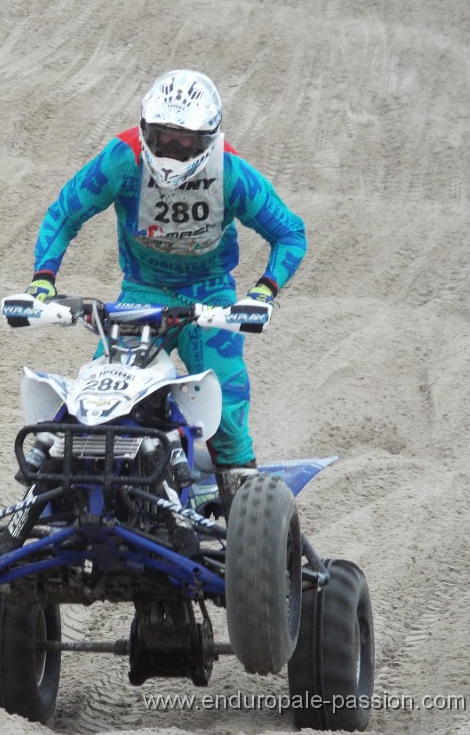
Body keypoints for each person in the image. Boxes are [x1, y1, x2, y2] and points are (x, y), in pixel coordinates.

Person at [24, 69, 307, 516]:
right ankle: (67, 501)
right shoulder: (122, 159)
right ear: (144, 130)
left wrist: (262, 293)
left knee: (227, 412)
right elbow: (64, 212)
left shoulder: (230, 172)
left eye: (185, 142)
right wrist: (43, 279)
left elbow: (290, 232)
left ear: (210, 139)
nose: (172, 151)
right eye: (163, 137)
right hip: (141, 293)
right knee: (98, 405)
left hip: (209, 297)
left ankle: (242, 523)